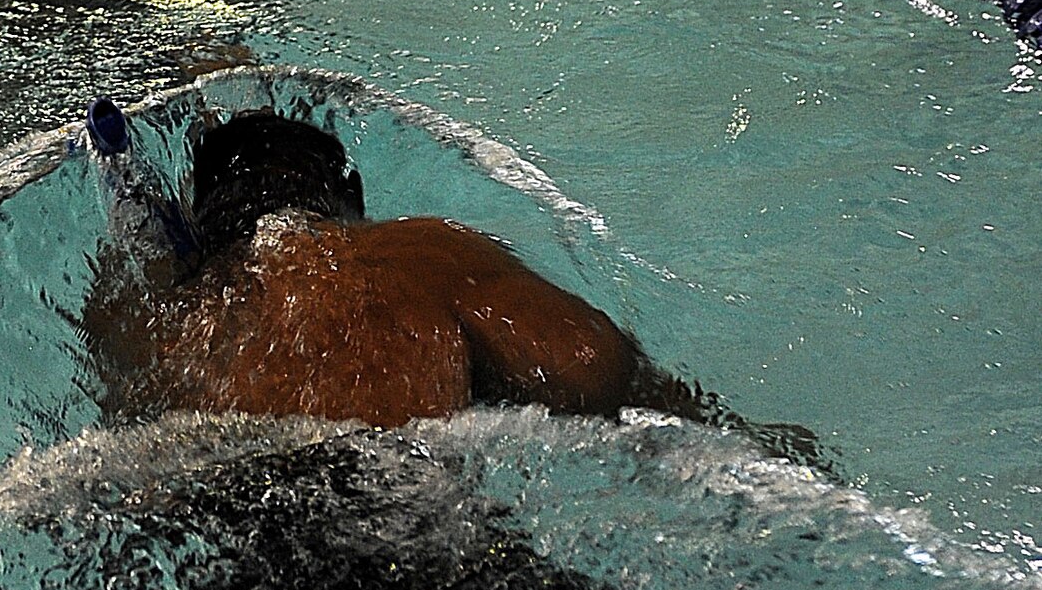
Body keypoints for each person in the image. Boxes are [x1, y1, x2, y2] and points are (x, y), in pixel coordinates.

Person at [81, 109, 810, 452]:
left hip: (225, 539)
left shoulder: (141, 318)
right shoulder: (417, 255)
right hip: (404, 518)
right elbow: (589, 367)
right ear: (354, 200)